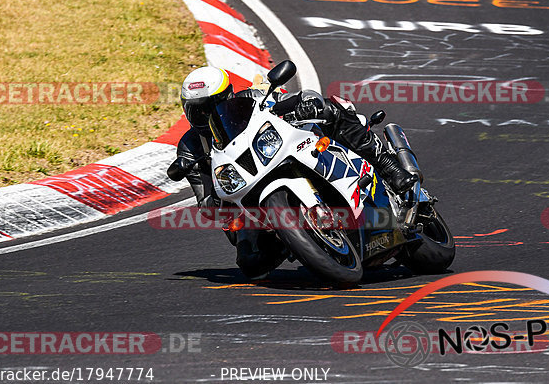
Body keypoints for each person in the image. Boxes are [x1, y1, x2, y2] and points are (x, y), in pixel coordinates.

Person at [174, 66, 416, 279]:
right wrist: (216, 197)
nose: (207, 116)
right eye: (199, 111)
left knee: (330, 109)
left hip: (283, 152)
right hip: (246, 196)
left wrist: (303, 105)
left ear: (228, 96)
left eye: (213, 106)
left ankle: (388, 165)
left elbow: (289, 98)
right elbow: (205, 205)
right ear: (187, 111)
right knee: (252, 265)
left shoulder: (251, 98)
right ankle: (295, 239)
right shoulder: (190, 147)